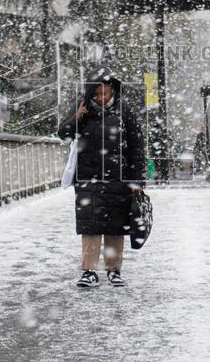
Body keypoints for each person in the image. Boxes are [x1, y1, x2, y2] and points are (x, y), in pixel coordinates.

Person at [57, 66, 146, 287]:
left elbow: (137, 147)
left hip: (119, 177)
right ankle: (89, 271)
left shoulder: (124, 111)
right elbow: (63, 134)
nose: (101, 97)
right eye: (96, 93)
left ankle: (114, 270)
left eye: (105, 93)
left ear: (112, 90)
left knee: (116, 225)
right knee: (90, 225)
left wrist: (138, 180)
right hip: (88, 177)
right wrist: (77, 116)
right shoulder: (83, 109)